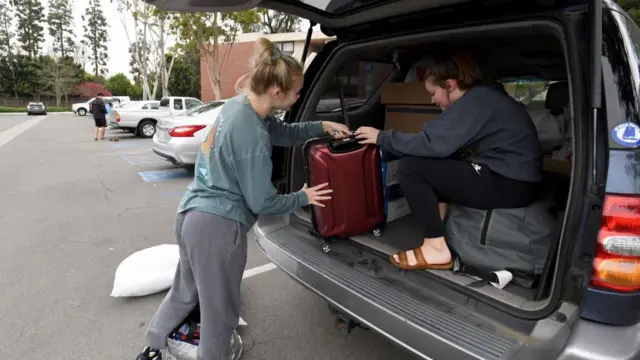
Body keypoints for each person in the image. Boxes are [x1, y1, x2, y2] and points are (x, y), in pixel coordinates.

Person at [136, 38, 351, 360]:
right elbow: (262, 203)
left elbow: (286, 133)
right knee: (219, 313)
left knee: (185, 290)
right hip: (218, 227)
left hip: (190, 216)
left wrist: (321, 125)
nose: (298, 97)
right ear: (276, 92)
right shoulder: (252, 137)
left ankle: (152, 347)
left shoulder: (241, 105)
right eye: (296, 92)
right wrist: (301, 197)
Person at [355, 54, 542, 271]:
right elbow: (441, 146)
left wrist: (381, 137)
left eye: (433, 93)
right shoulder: (486, 98)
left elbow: (432, 142)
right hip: (516, 179)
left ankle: (436, 248)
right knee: (441, 161)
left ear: (450, 85)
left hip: (509, 181)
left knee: (411, 168)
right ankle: (440, 229)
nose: (432, 100)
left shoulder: (476, 100)